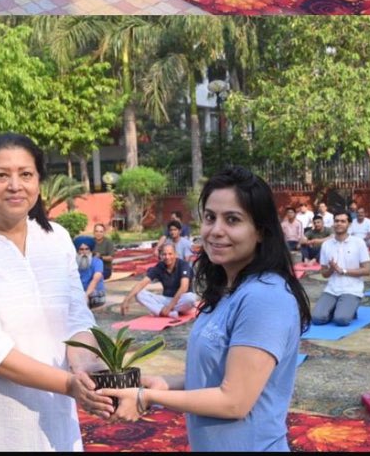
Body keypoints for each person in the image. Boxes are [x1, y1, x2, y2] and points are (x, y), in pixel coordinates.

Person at [102, 167, 310, 452]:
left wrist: (144, 397)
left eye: (233, 220)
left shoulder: (266, 298)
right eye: (210, 217)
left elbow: (234, 401)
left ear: (260, 231)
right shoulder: (226, 290)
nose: (216, 231)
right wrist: (164, 385)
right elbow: (217, 375)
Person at [0, 133, 113, 450]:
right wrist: (70, 384)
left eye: (26, 174)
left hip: (53, 399)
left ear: (39, 180)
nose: (15, 185)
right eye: (2, 175)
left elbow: (77, 317)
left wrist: (87, 369)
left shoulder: (56, 238)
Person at [312, 210, 370, 326]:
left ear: (349, 224)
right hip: (332, 289)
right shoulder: (326, 244)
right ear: (333, 223)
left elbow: (367, 270)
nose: (339, 223)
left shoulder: (358, 243)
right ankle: (338, 307)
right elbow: (324, 273)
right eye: (337, 221)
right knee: (317, 319)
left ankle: (348, 309)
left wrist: (343, 271)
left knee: (341, 320)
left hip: (352, 289)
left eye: (343, 221)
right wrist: (331, 269)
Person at [120, 243, 198, 318]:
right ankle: (166, 312)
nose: (167, 257)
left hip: (181, 301)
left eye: (170, 254)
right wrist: (127, 299)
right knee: (138, 294)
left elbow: (184, 287)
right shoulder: (160, 266)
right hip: (166, 299)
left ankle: (163, 311)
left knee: (190, 298)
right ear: (160, 256)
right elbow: (141, 283)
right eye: (164, 254)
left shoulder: (183, 265)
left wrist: (169, 307)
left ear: (175, 254)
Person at [74, 236, 106, 309]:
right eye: (81, 249)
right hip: (79, 292)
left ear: (90, 250)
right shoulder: (73, 263)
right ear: (77, 251)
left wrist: (86, 295)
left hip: (95, 293)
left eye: (86, 249)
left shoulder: (97, 262)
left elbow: (95, 280)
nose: (84, 252)